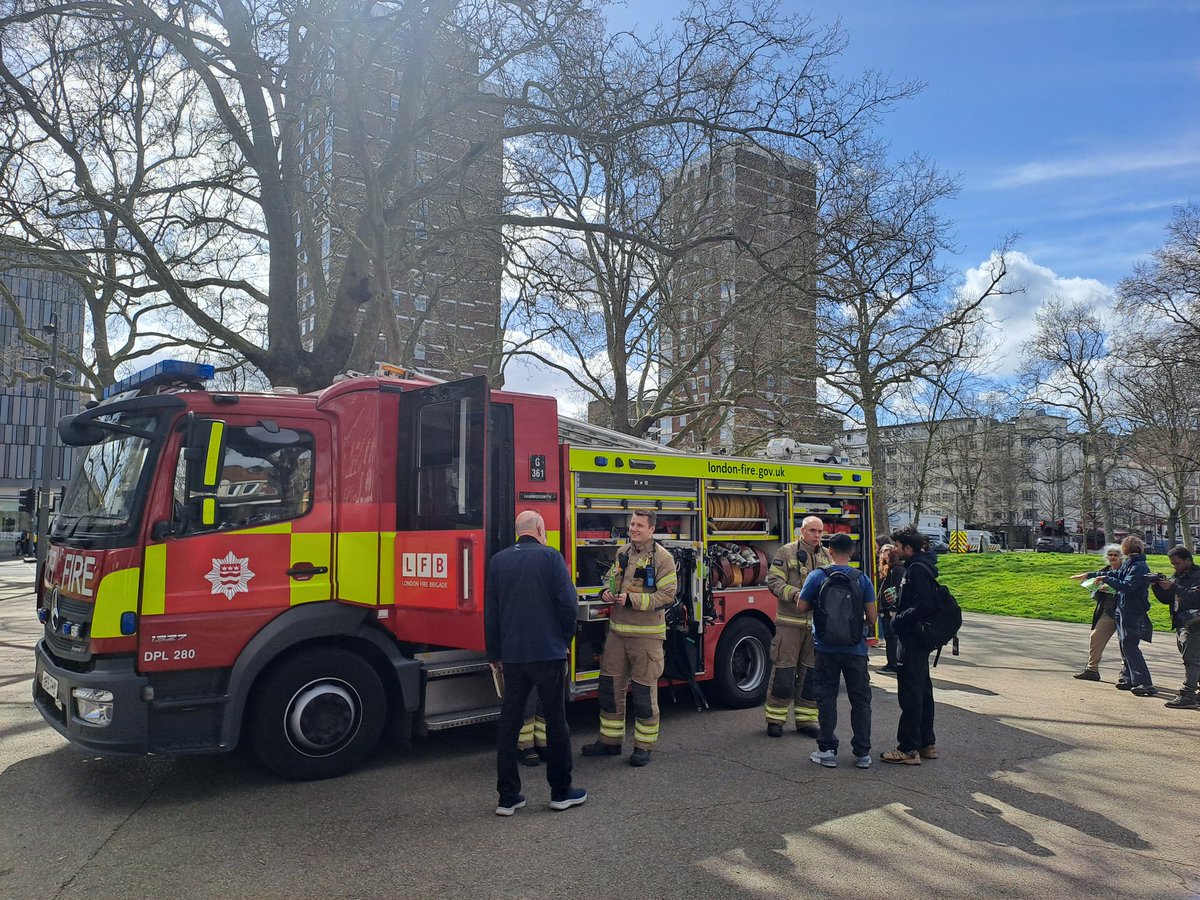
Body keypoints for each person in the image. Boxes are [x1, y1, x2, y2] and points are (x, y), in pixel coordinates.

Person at [485, 510, 587, 815]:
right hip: (548, 654)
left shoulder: (498, 561)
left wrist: (494, 655)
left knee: (509, 724)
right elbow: (568, 604)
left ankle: (508, 797)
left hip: (513, 657)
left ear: (519, 531)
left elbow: (492, 613)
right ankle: (561, 792)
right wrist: (564, 639)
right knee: (556, 721)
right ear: (540, 528)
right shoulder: (551, 557)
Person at [582, 508, 678, 767]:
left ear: (651, 529)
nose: (633, 528)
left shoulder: (663, 559)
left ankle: (643, 746)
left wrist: (633, 600)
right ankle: (610, 742)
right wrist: (606, 592)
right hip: (617, 634)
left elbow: (667, 596)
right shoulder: (622, 553)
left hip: (646, 637)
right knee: (609, 689)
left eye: (639, 525)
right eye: (632, 524)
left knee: (644, 693)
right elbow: (612, 580)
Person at [801, 533, 877, 769]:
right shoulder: (862, 579)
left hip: (825, 648)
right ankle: (862, 753)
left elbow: (801, 606)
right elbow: (872, 618)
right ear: (852, 552)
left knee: (826, 698)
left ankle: (827, 750)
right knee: (860, 700)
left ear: (830, 551)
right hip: (855, 649)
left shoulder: (817, 576)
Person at [762, 515, 832, 738]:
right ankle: (775, 719)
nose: (817, 536)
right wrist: (794, 595)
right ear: (802, 532)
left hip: (815, 626)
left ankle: (806, 720)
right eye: (812, 531)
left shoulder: (826, 555)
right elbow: (773, 581)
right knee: (784, 673)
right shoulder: (786, 552)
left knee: (811, 675)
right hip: (789, 624)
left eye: (820, 532)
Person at [881, 525, 941, 765]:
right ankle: (927, 743)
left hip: (912, 639)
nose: (894, 549)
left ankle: (908, 749)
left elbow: (925, 605)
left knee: (911, 695)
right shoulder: (922, 566)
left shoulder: (916, 570)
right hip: (919, 639)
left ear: (908, 548)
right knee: (923, 691)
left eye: (897, 546)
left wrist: (899, 619)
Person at [1100, 535, 1157, 697]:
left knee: (1129, 644)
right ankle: (1129, 677)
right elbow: (1119, 576)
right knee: (1124, 644)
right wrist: (1092, 574)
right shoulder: (1130, 563)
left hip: (1131, 609)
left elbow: (1127, 586)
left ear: (1125, 549)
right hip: (1124, 607)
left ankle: (1144, 682)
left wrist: (1105, 578)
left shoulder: (1138, 565)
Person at [1150, 546, 1200, 709]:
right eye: (1172, 564)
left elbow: (1195, 595)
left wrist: (1173, 586)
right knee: (1194, 658)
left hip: (1194, 622)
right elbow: (1167, 599)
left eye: (1177, 563)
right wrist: (1156, 585)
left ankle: (1188, 693)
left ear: (1187, 560)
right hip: (1181, 621)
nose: (1175, 567)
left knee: (1190, 658)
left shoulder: (1197, 574)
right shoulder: (1178, 575)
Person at [1069, 545, 1123, 681]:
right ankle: (1092, 670)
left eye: (1116, 555)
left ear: (1122, 556)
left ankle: (1126, 673)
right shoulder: (1104, 571)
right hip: (1107, 610)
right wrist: (1094, 586)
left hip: (1124, 610)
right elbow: (1097, 588)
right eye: (1110, 555)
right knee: (1095, 637)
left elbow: (1128, 586)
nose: (1113, 557)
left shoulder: (1126, 571)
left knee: (1126, 643)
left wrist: (1111, 588)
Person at [876, 542, 903, 674]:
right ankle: (891, 662)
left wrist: (893, 608)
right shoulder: (887, 569)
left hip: (891, 610)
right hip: (885, 609)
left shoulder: (897, 569)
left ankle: (893, 664)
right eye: (882, 551)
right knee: (889, 637)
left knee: (892, 638)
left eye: (886, 550)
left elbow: (896, 590)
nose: (883, 553)